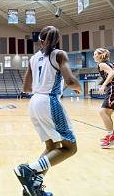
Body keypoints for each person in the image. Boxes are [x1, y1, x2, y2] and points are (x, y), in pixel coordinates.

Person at [14, 26, 81, 196]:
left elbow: (27, 87)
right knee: (70, 147)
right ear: (57, 40)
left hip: (34, 102)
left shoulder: (33, 58)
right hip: (49, 101)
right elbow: (71, 80)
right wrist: (78, 87)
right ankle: (28, 169)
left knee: (52, 147)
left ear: (40, 40)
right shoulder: (59, 54)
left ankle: (34, 188)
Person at [93, 48, 114, 148]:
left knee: (103, 112)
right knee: (106, 114)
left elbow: (112, 73)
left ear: (100, 55)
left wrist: (103, 85)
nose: (93, 56)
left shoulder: (102, 64)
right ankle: (110, 135)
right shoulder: (111, 63)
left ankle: (111, 137)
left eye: (95, 54)